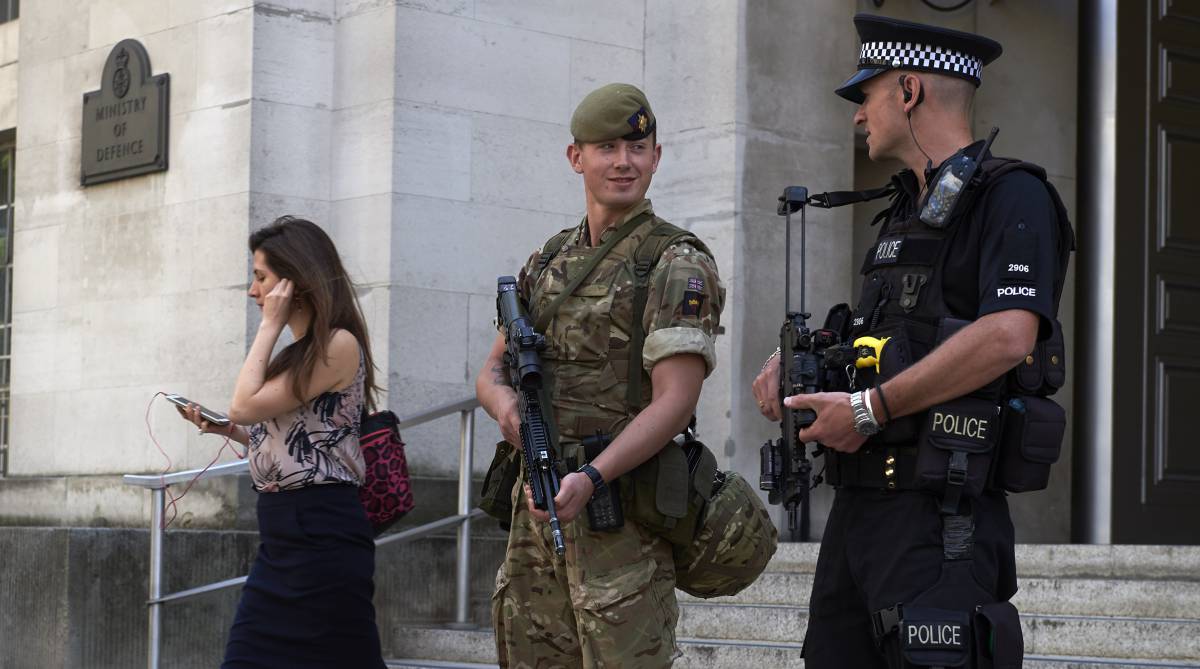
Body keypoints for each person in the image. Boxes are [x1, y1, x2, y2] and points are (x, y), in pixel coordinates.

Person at [751, 15, 1072, 669]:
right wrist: (806, 360)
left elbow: (1009, 335)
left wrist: (872, 408)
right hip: (859, 517)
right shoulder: (904, 210)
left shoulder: (1014, 196)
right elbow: (895, 338)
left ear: (907, 89)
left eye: (864, 96)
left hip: (942, 520)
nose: (856, 118)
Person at [475, 83, 725, 667]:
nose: (624, 162)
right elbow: (491, 371)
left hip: (622, 522)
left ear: (657, 157)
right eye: (608, 147)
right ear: (576, 158)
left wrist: (590, 476)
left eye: (638, 148)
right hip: (536, 515)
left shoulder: (675, 262)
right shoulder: (547, 261)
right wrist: (511, 415)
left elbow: (676, 403)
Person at [176, 216, 386, 669]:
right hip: (283, 535)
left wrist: (268, 325)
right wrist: (228, 431)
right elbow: (282, 431)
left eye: (261, 277)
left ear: (295, 281)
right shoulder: (304, 351)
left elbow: (243, 404)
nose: (253, 291)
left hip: (323, 532)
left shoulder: (338, 344)